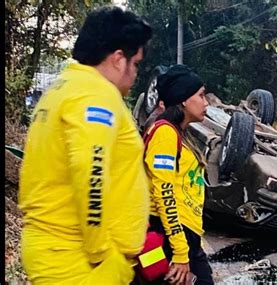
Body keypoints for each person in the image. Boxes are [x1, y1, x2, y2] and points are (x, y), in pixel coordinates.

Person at [19, 6, 152, 284]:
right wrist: (101, 251)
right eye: (136, 63)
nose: (135, 73)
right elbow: (90, 169)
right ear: (118, 59)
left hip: (58, 251)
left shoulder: (63, 88)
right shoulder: (95, 94)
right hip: (80, 262)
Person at [142, 64, 213, 285]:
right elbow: (164, 192)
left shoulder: (182, 135)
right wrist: (180, 250)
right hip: (169, 234)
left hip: (183, 234)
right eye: (201, 95)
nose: (206, 102)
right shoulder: (164, 133)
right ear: (183, 99)